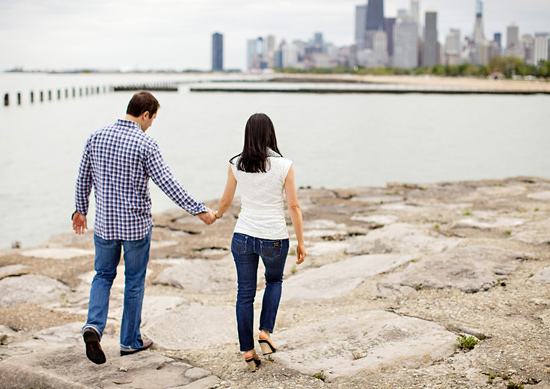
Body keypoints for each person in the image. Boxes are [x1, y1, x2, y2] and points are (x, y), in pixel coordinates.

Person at [72, 91, 215, 365]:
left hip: (104, 225)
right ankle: (129, 341)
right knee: (134, 282)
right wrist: (199, 208)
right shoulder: (145, 143)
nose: (151, 124)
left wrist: (80, 210)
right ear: (145, 114)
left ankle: (93, 327)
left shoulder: (96, 137)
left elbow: (83, 177)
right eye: (152, 119)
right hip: (135, 227)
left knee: (102, 275)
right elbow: (168, 183)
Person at [214, 113, 306, 372]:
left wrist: (216, 216)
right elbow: (294, 206)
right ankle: (265, 332)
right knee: (274, 281)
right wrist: (300, 241)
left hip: (242, 235)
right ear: (270, 134)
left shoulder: (236, 163)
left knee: (244, 293)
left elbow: (225, 201)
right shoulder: (284, 165)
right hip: (273, 237)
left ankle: (247, 351)